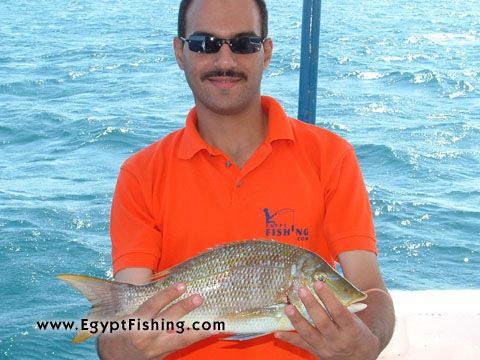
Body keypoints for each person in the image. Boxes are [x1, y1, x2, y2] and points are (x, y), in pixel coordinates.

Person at [97, 0, 395, 358]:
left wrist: (368, 342)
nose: (225, 61)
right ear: (180, 52)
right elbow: (121, 315)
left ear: (266, 52)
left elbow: (370, 291)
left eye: (244, 44)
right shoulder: (141, 173)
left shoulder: (330, 156)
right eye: (205, 43)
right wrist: (122, 348)